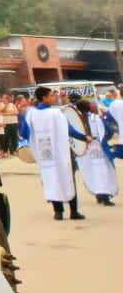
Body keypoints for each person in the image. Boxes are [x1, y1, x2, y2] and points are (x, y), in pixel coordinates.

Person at [19, 86, 87, 220]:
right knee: (68, 178)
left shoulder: (31, 114)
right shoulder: (57, 113)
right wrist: (85, 138)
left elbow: (23, 133)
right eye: (51, 95)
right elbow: (70, 130)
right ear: (44, 98)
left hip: (45, 156)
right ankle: (73, 211)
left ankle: (58, 212)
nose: (54, 97)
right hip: (61, 153)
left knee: (51, 180)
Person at [75, 99, 117, 206]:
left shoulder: (77, 121)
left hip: (85, 151)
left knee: (92, 173)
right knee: (103, 172)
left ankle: (98, 194)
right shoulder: (97, 118)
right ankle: (105, 197)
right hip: (100, 149)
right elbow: (109, 132)